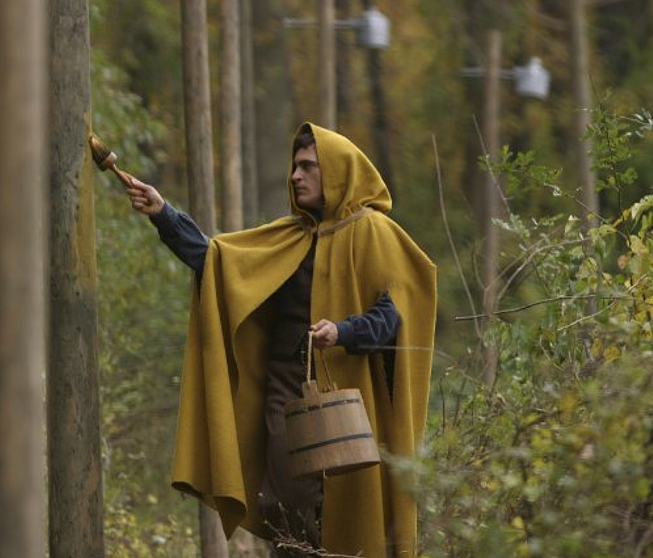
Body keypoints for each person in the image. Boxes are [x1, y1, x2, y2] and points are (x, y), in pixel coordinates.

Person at [123, 122, 436, 557]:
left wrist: (341, 330)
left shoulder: (375, 234)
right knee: (287, 514)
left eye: (308, 166)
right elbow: (216, 262)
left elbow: (391, 319)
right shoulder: (288, 236)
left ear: (337, 171)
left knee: (349, 520)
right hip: (285, 398)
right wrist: (163, 213)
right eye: (294, 167)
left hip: (355, 407)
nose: (295, 176)